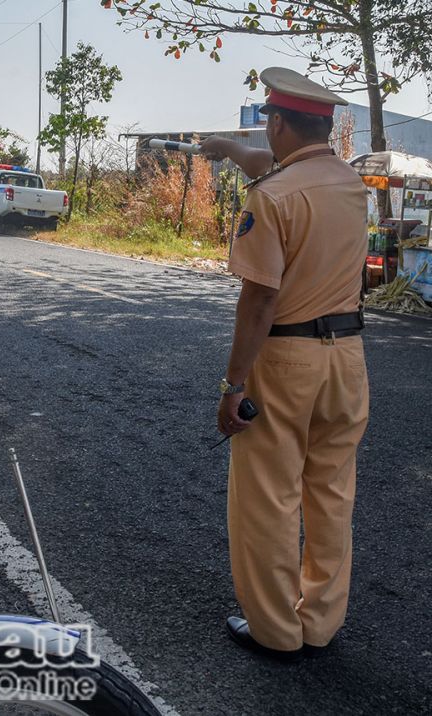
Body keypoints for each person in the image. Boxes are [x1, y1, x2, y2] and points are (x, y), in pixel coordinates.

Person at [201, 68, 370, 661]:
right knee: (331, 493)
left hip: (287, 359)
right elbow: (283, 171)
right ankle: (319, 621)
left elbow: (261, 298)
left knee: (269, 495)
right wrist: (225, 149)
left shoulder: (269, 198)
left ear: (276, 122)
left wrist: (233, 384)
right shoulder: (352, 185)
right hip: (347, 359)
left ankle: (274, 629)